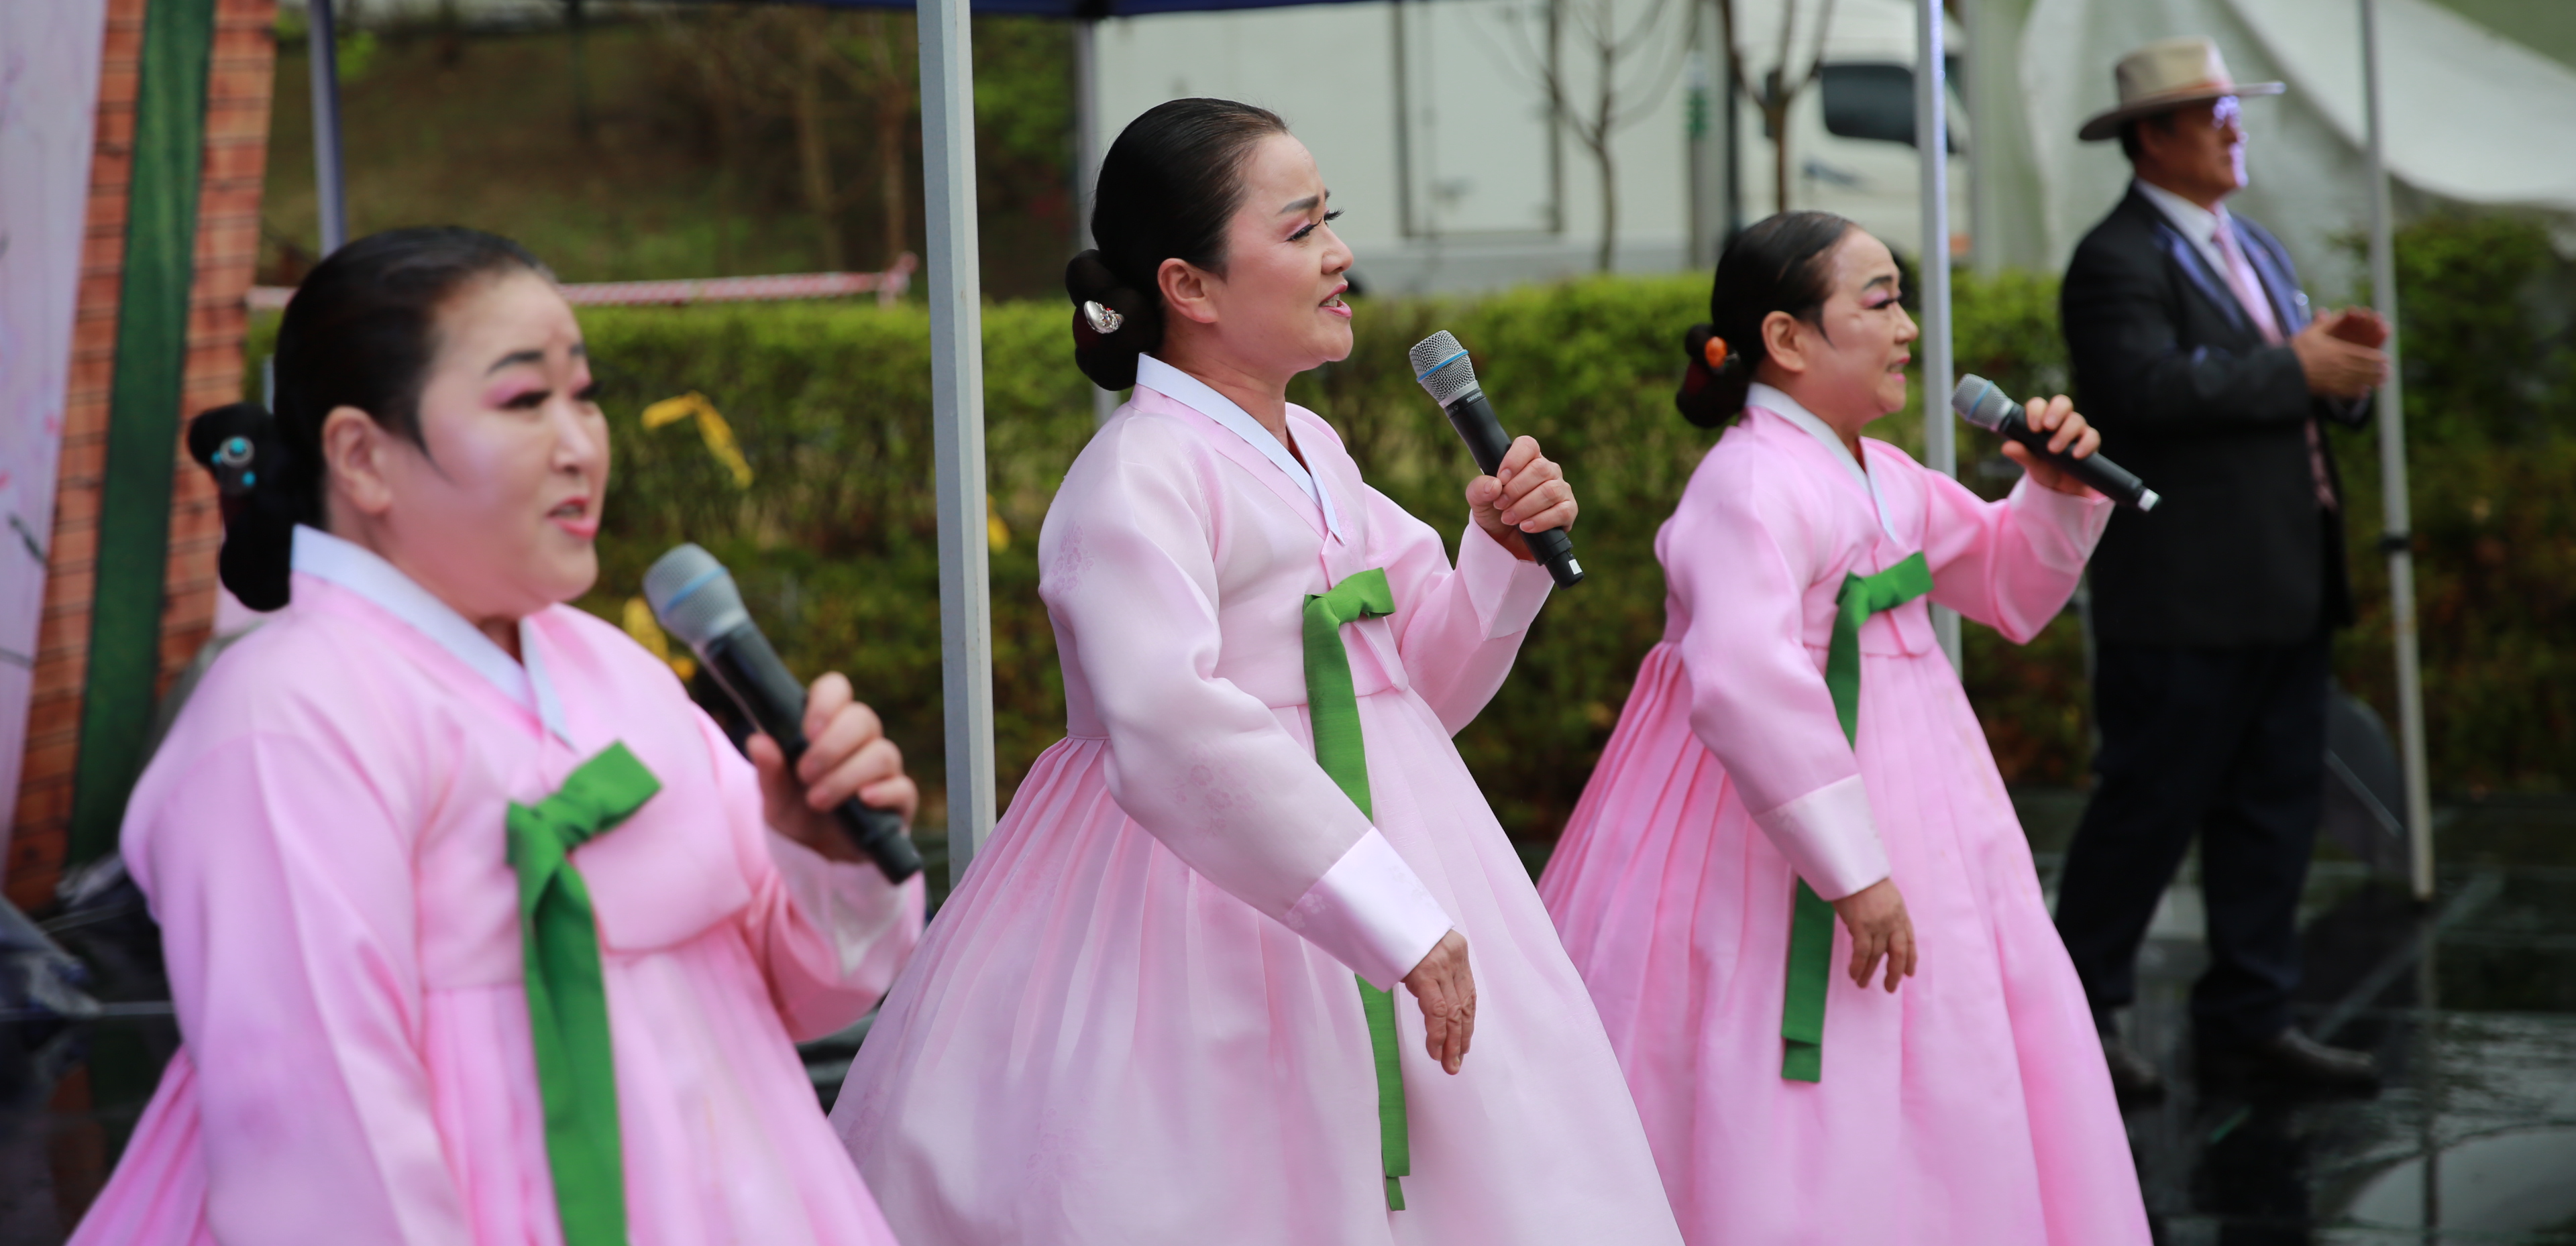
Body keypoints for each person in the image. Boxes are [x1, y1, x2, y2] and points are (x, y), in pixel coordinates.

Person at [831, 99, 1681, 1245]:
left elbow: (1412, 685)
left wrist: (1501, 559)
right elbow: (1174, 729)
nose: (1339, 258)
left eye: (1331, 220)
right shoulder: (1136, 477)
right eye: (1298, 231)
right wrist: (1392, 917)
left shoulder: (1317, 449)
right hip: (1184, 899)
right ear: (1189, 286)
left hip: (1400, 858)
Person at [72, 227, 926, 1246]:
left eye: (584, 392)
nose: (580, 443)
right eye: (525, 401)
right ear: (362, 456)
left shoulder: (617, 674)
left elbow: (789, 996)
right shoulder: (284, 720)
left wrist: (824, 859)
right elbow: (319, 1140)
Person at [1538, 211, 2149, 1246]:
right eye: (1881, 301)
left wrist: (2051, 495)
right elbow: (1740, 681)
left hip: (1927, 808)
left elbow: (2006, 585)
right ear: (1787, 339)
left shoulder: (1887, 476)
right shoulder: (1747, 481)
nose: (1907, 327)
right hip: (1761, 825)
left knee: (1942, 1047)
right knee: (1774, 1051)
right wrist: (1851, 868)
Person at [2054, 37, 2387, 1099]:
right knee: (2146, 812)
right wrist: (2296, 365)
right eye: (2214, 113)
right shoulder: (2115, 258)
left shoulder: (2256, 246)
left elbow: (2280, 379)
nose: (2236, 128)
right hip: (2185, 599)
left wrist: (2341, 372)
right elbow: (2143, 393)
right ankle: (2076, 1016)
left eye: (2233, 109)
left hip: (2284, 582)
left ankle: (2250, 1017)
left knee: (2274, 812)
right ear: (2154, 137)